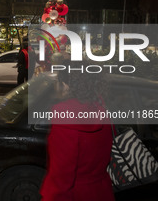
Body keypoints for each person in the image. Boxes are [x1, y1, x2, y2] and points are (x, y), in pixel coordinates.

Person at [40, 62, 114, 201]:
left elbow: (61, 178)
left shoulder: (65, 119)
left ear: (66, 85)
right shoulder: (101, 110)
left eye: (58, 81)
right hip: (100, 191)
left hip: (74, 194)